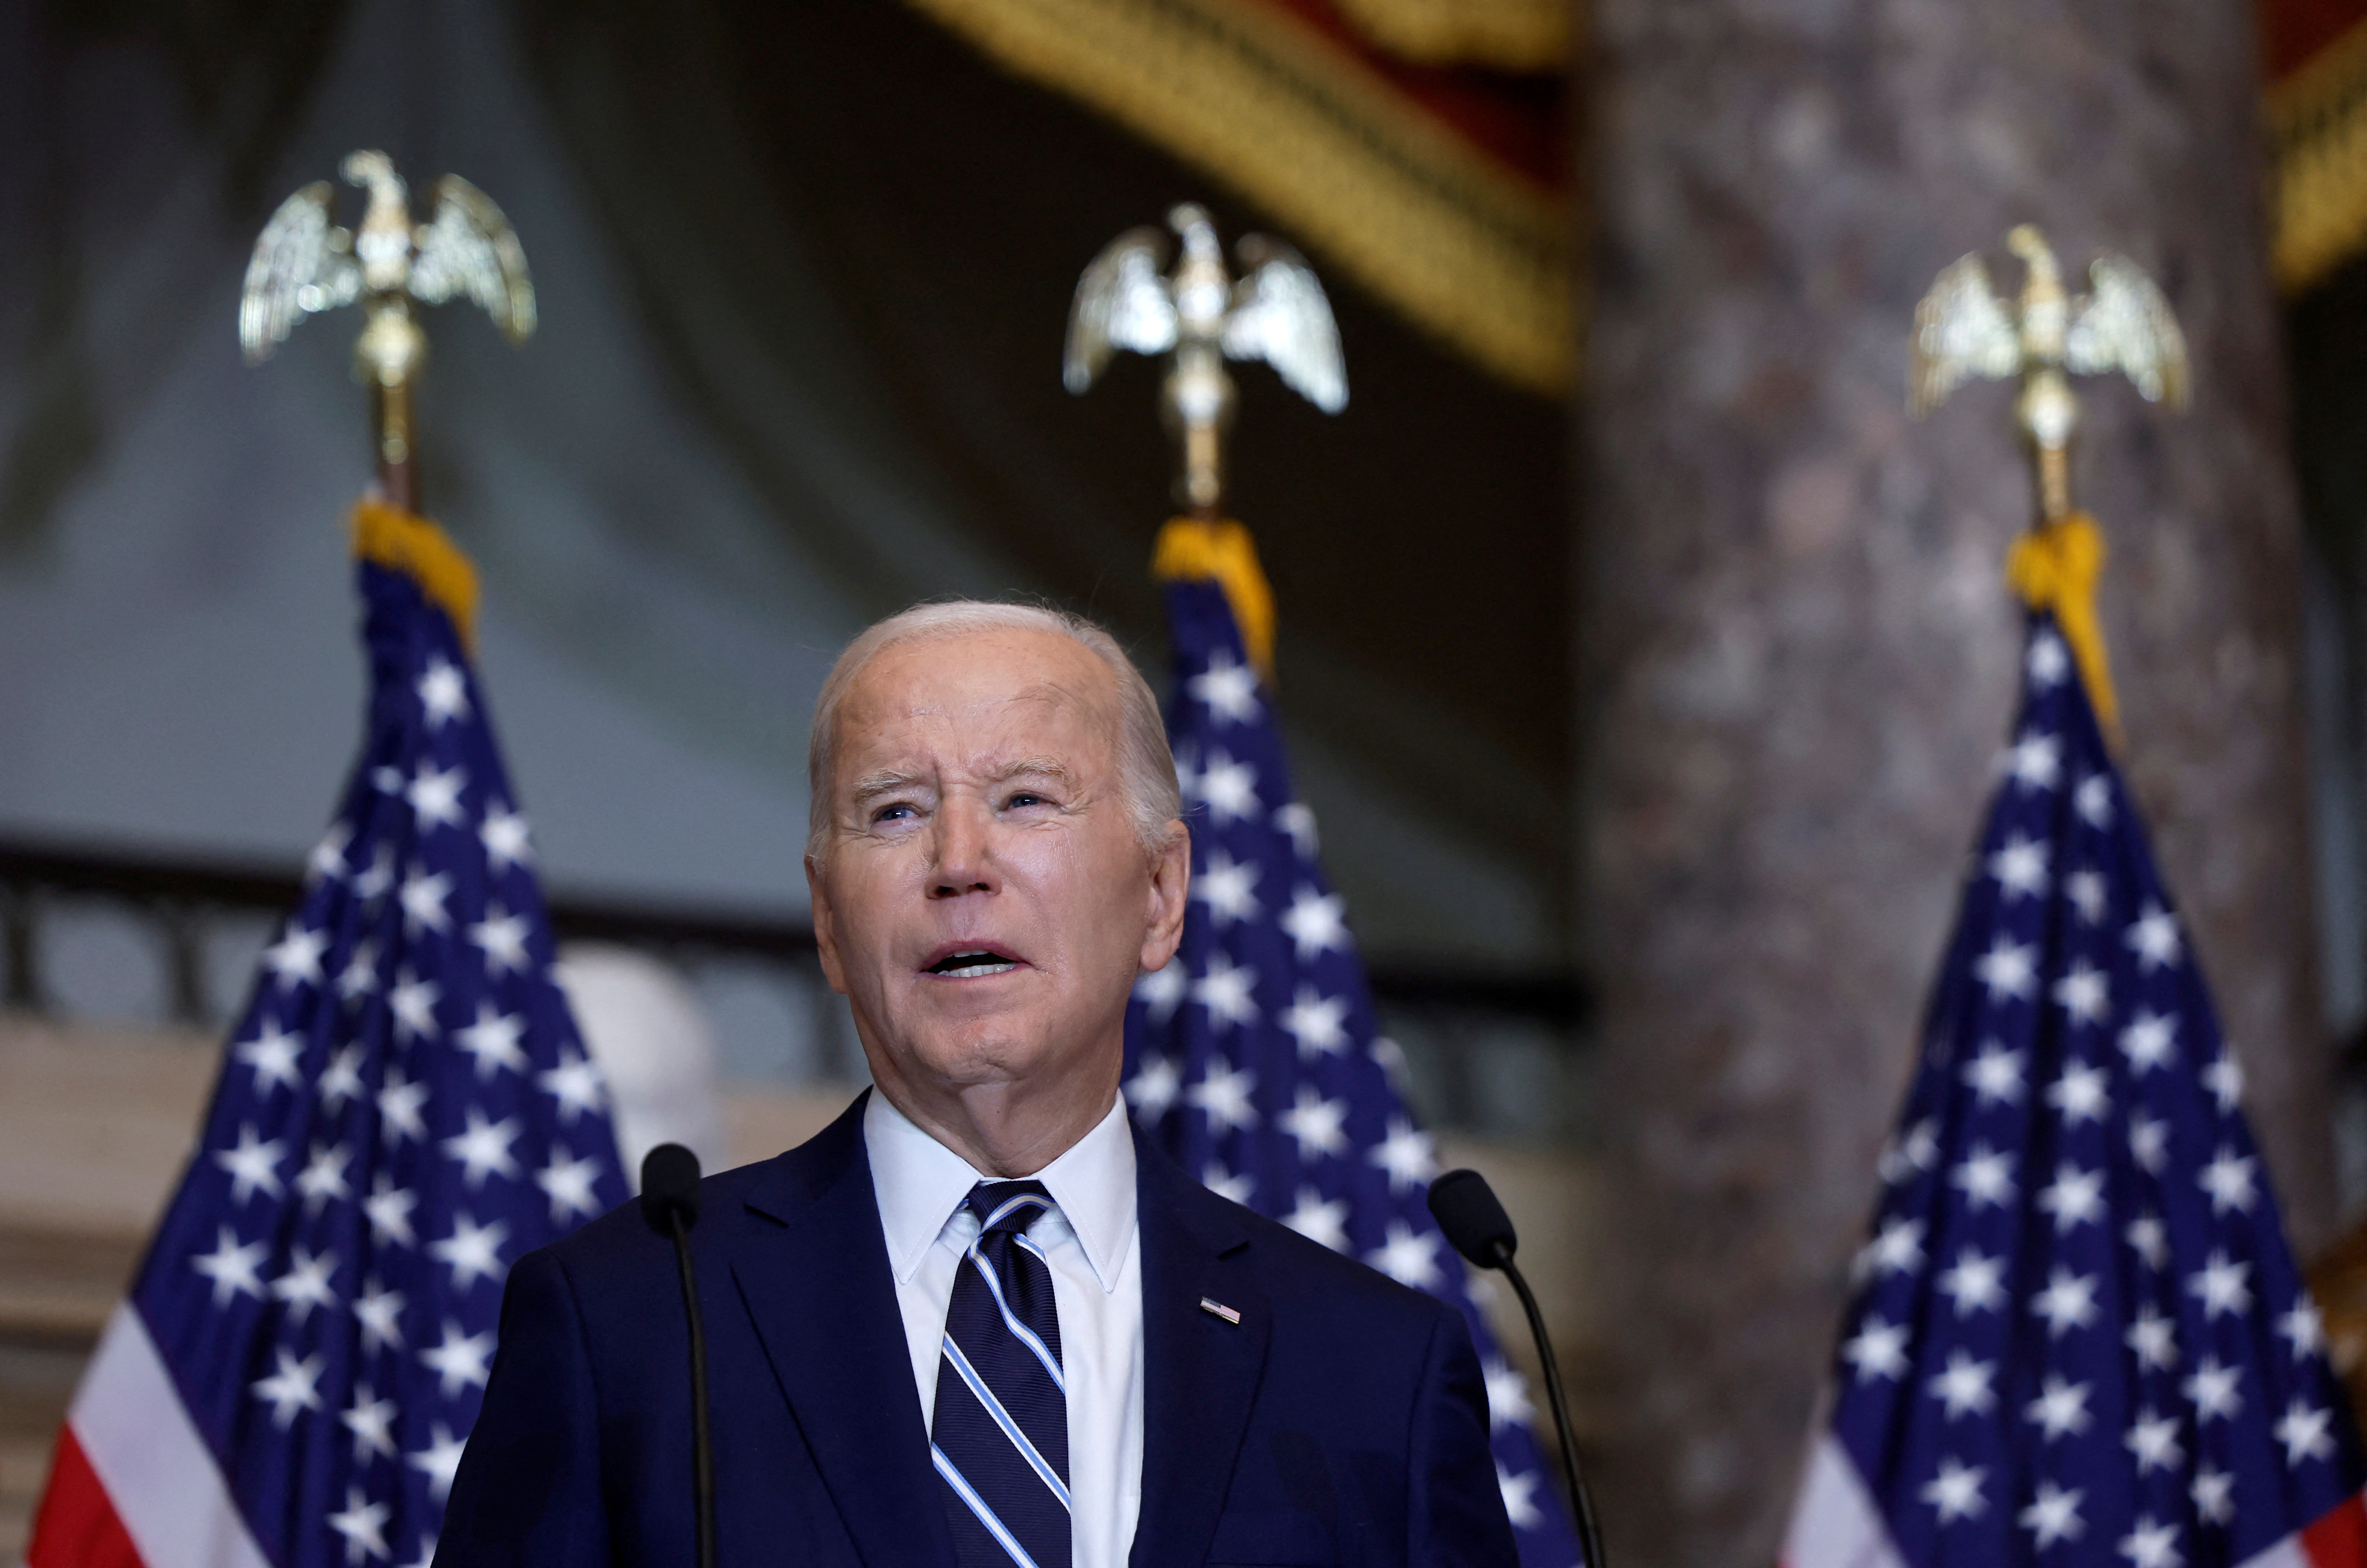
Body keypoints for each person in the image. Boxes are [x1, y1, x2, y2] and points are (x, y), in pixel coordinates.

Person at [436, 602, 1518, 1566]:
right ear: (826, 917)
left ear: (1158, 892)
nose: (960, 859)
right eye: (897, 811)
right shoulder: (623, 1322)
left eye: (1026, 799)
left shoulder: (1375, 1372)